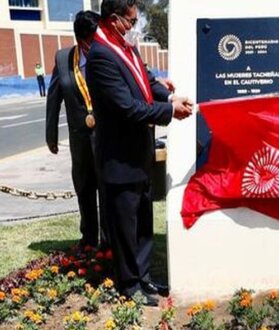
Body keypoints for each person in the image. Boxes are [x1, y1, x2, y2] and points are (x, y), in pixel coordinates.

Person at [86, 0, 192, 305]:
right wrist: (169, 110)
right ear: (115, 19)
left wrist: (170, 95)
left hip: (140, 152)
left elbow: (145, 81)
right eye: (132, 21)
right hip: (119, 157)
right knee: (125, 226)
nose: (135, 27)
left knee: (144, 221)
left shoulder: (124, 47)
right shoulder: (101, 55)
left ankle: (144, 278)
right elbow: (126, 107)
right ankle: (129, 284)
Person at [46, 11, 107, 249]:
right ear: (83, 40)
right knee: (84, 188)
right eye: (95, 39)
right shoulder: (63, 59)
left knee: (106, 188)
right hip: (79, 139)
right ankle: (89, 238)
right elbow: (54, 98)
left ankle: (108, 240)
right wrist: (51, 135)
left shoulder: (107, 56)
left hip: (106, 138)